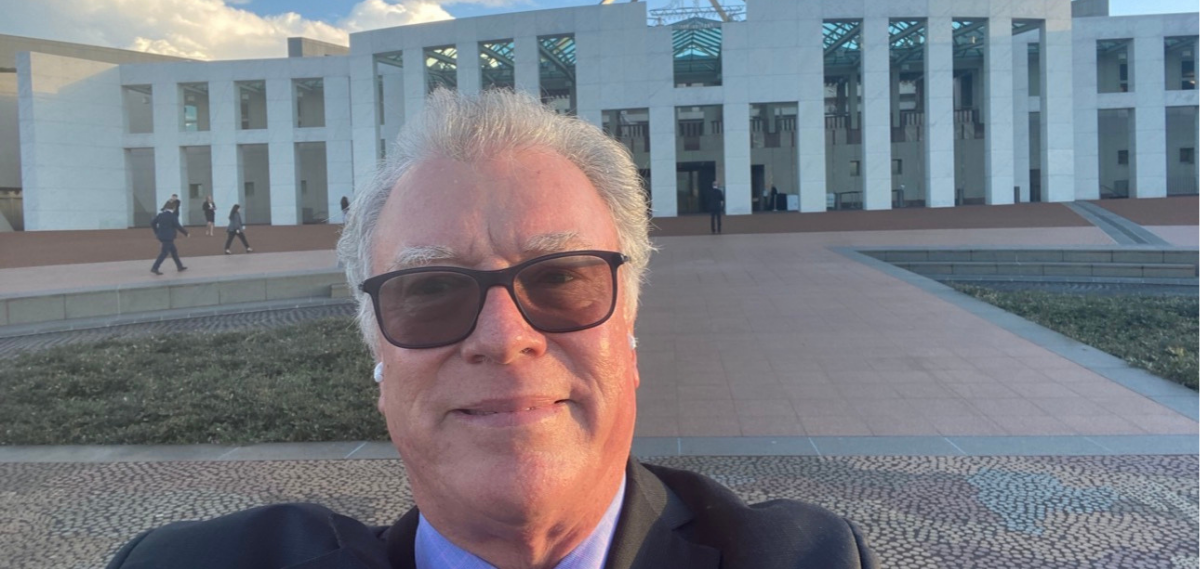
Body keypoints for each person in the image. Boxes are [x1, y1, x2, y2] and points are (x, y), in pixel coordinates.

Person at [106, 90, 877, 569]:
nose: (504, 337)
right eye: (431, 290)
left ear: (629, 332)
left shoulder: (806, 560)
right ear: (377, 360)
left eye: (562, 278)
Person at [149, 204, 188, 275]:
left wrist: (156, 232)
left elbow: (152, 223)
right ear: (173, 208)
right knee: (164, 253)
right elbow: (178, 226)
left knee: (174, 251)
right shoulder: (173, 216)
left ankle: (179, 266)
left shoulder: (160, 215)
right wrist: (186, 233)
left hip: (161, 236)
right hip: (169, 237)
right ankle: (155, 267)